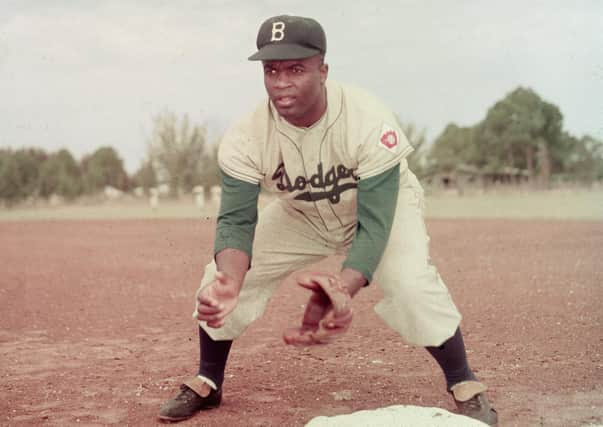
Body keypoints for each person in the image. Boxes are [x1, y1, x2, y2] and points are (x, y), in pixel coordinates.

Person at [158, 14, 498, 426]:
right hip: (301, 211)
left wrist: (342, 286)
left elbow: (374, 225)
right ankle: (208, 379)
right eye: (271, 70)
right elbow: (235, 220)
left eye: (296, 69)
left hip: (377, 208)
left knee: (410, 283)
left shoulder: (367, 117)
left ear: (323, 70)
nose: (281, 82)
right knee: (219, 277)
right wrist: (230, 279)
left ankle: (463, 381)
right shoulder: (246, 135)